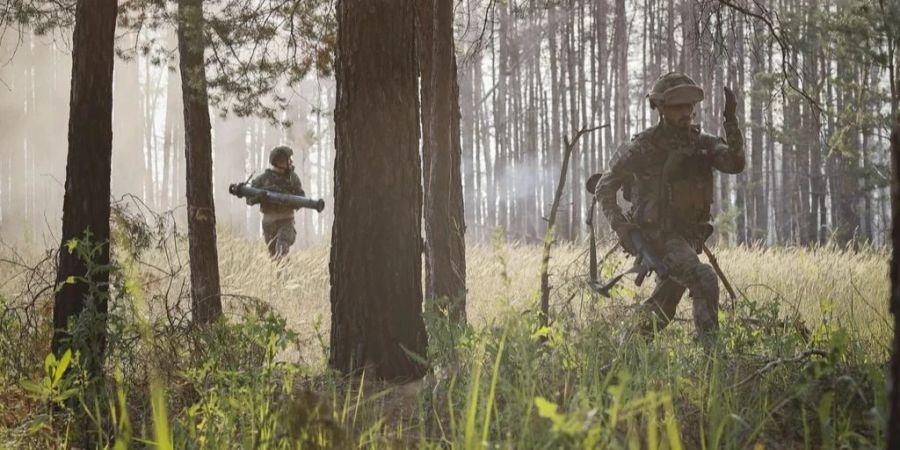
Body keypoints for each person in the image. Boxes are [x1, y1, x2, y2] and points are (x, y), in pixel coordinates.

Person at [594, 72, 745, 340]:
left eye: (689, 106)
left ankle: (625, 350)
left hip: (687, 237)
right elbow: (604, 186)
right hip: (658, 236)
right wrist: (624, 230)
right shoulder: (643, 147)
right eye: (678, 106)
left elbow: (735, 164)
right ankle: (712, 362)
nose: (686, 112)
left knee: (663, 307)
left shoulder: (703, 143)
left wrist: (730, 120)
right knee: (704, 278)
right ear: (661, 108)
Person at [248, 146, 306, 258]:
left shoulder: (292, 178)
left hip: (286, 222)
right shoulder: (263, 179)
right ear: (280, 162)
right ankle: (282, 275)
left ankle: (283, 274)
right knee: (274, 256)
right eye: (288, 159)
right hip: (268, 224)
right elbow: (249, 200)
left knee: (281, 251)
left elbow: (301, 199)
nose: (291, 162)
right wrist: (259, 197)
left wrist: (287, 199)